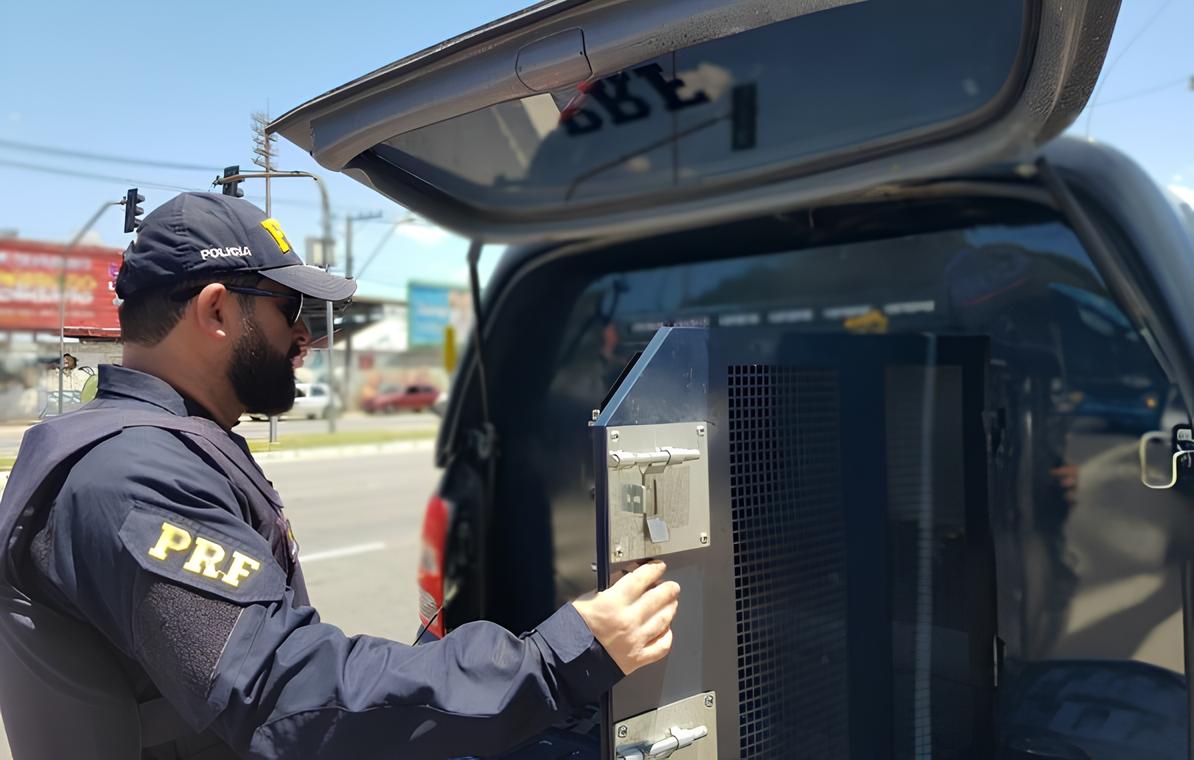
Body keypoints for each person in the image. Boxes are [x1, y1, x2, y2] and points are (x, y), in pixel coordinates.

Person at [0, 192, 680, 759]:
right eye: (288, 310)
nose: (307, 338)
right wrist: (561, 658)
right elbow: (288, 696)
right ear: (215, 311)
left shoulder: (141, 445)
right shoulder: (130, 478)